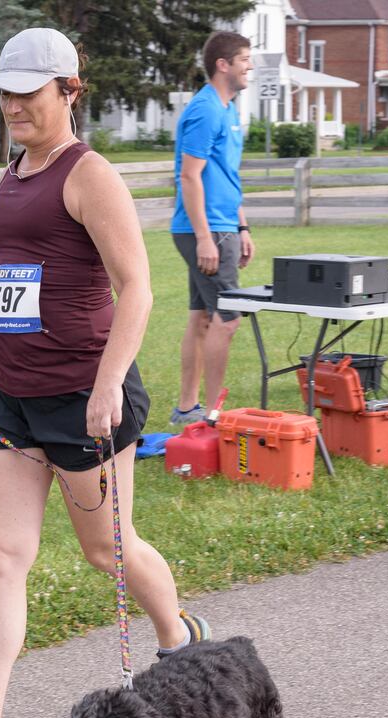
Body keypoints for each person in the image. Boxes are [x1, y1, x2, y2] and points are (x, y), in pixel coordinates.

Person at [0, 27, 210, 718]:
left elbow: (136, 286)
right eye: (5, 93)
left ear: (69, 91)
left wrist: (109, 383)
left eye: (27, 93)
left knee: (108, 549)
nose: (12, 106)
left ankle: (178, 642)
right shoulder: (17, 168)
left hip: (82, 391)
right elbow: (31, 256)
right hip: (13, 390)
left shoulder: (89, 173)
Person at [168, 31, 254, 425]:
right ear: (223, 65)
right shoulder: (205, 110)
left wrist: (243, 226)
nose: (249, 66)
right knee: (229, 318)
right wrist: (205, 237)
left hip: (223, 226)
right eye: (244, 60)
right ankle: (213, 415)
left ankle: (188, 409)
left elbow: (226, 175)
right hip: (206, 230)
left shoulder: (228, 109)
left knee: (202, 317)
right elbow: (189, 176)